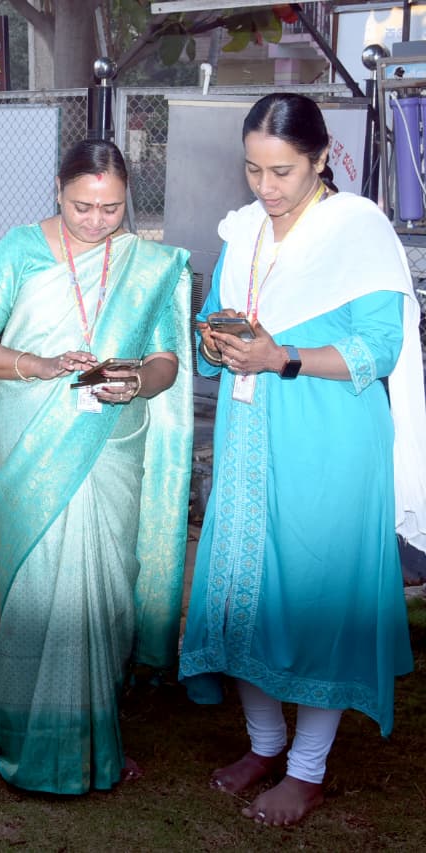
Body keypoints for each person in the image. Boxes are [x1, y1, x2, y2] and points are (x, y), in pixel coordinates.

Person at [179, 93, 425, 827]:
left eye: (282, 170)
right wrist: (215, 339)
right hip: (250, 436)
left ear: (319, 158)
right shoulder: (244, 230)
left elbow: (378, 348)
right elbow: (218, 327)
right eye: (253, 169)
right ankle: (264, 744)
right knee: (243, 590)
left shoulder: (357, 227)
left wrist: (281, 355)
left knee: (318, 596)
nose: (266, 186)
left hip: (329, 438)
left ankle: (307, 770)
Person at [0, 139, 192, 795]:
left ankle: (95, 740)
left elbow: (167, 360)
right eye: (81, 206)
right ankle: (27, 739)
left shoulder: (148, 264)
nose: (95, 220)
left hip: (112, 442)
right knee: (40, 590)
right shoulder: (19, 250)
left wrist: (137, 380)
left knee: (105, 590)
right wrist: (36, 364)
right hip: (33, 437)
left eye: (111, 208)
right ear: (58, 192)